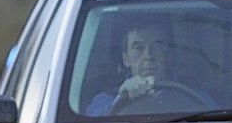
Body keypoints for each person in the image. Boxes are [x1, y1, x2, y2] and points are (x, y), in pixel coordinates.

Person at [85, 22, 214, 115]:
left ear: (168, 54)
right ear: (126, 59)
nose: (148, 56)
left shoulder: (195, 97)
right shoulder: (107, 98)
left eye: (156, 46)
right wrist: (121, 99)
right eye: (139, 48)